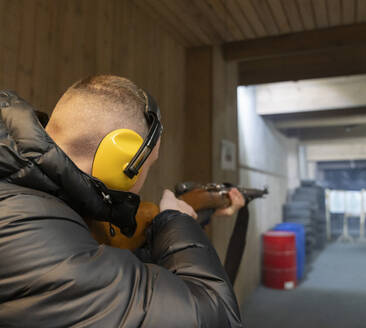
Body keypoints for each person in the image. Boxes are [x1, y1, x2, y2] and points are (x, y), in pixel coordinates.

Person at [0, 75, 244, 327]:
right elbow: (218, 316)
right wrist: (177, 223)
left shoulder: (25, 204)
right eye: (148, 164)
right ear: (123, 162)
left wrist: (193, 219)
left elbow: (122, 283)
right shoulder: (35, 235)